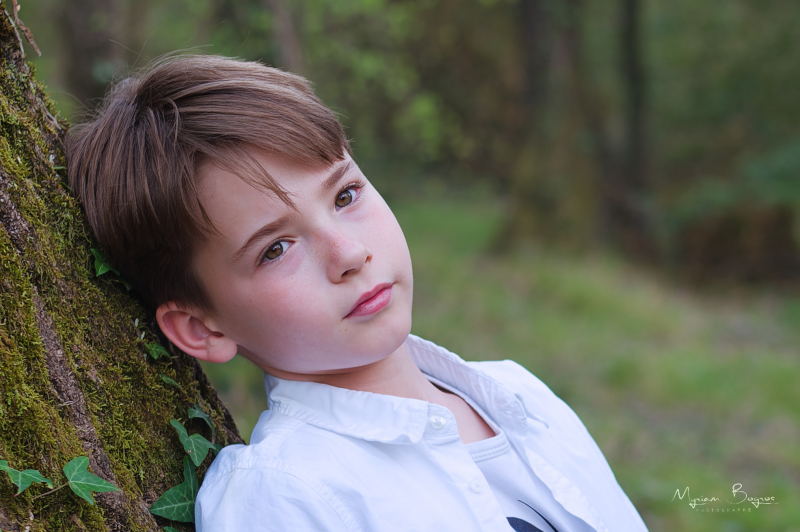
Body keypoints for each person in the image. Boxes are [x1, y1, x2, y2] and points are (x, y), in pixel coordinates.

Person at [67, 55, 648, 532]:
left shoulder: (521, 397)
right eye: (276, 249)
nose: (348, 255)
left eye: (345, 196)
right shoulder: (287, 497)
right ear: (203, 327)